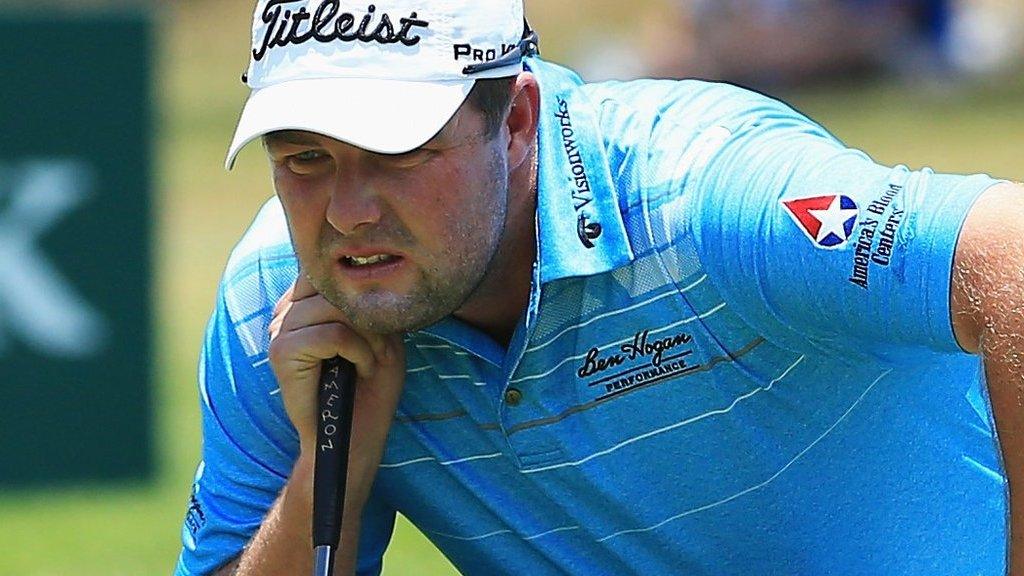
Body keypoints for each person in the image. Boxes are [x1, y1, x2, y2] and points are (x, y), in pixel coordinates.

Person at [175, 1, 1024, 574]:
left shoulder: (703, 194)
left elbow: (1012, 253)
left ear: (514, 121)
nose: (349, 215)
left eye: (399, 155)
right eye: (305, 161)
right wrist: (333, 469)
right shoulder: (280, 311)